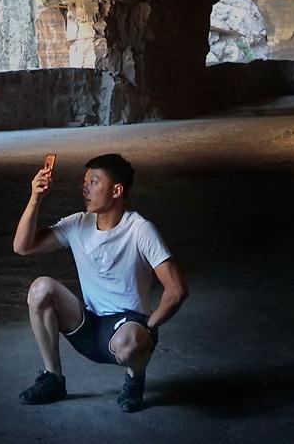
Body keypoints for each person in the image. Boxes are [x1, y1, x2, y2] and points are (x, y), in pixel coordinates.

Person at [13, 153, 188, 412]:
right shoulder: (77, 224)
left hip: (125, 330)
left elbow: (176, 290)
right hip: (88, 324)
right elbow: (22, 247)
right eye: (85, 182)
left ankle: (134, 376)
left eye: (94, 182)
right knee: (40, 288)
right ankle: (53, 378)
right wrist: (35, 199)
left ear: (117, 190)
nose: (85, 188)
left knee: (131, 343)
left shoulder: (140, 230)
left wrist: (149, 328)